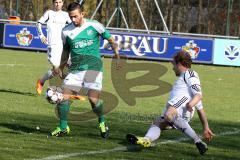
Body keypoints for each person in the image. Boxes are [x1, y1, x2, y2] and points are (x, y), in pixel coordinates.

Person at [48, 2, 121, 138]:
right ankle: (63, 128)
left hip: (94, 68)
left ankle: (102, 122)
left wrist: (117, 57)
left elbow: (111, 40)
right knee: (63, 96)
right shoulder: (66, 31)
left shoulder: (94, 25)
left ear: (82, 14)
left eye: (75, 16)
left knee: (93, 100)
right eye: (71, 17)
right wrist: (60, 67)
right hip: (75, 69)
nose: (73, 20)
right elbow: (66, 51)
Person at [126, 51, 214, 155]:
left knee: (169, 114)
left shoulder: (190, 74)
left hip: (181, 108)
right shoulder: (184, 81)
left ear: (179, 63)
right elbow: (200, 108)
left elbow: (199, 95)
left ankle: (197, 141)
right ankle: (146, 140)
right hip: (179, 110)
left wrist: (191, 104)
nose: (173, 68)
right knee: (158, 123)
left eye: (173, 64)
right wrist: (206, 127)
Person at [36, 0, 71, 95]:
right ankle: (42, 82)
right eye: (56, 2)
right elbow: (38, 23)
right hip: (53, 45)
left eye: (60, 2)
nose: (58, 4)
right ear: (53, 3)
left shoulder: (66, 15)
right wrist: (41, 36)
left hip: (64, 46)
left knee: (67, 68)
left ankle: (68, 92)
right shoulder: (49, 13)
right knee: (57, 70)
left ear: (63, 3)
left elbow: (73, 26)